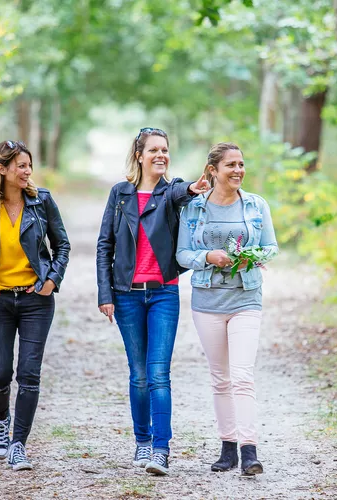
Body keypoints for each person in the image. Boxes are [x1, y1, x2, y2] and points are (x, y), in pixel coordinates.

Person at [96, 127, 209, 476]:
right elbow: (105, 246)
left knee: (159, 373)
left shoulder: (170, 192)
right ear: (140, 155)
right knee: (139, 374)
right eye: (154, 150)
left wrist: (192, 187)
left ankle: (161, 449)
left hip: (163, 293)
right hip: (126, 295)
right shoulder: (121, 193)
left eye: (165, 149)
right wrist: (105, 294)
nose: (161, 155)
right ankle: (142, 441)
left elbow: (182, 190)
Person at [176, 142, 278, 476]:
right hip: (207, 301)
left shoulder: (255, 204)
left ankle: (250, 451)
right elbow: (182, 254)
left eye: (241, 164)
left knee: (242, 376)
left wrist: (252, 256)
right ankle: (227, 448)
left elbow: (271, 247)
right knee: (221, 379)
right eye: (230, 165)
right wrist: (207, 257)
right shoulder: (193, 209)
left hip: (246, 298)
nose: (237, 170)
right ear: (213, 171)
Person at [0, 140, 70, 471]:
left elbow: (62, 244)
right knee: (0, 372)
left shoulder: (42, 202)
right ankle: (2, 423)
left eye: (29, 165)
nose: (27, 171)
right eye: (21, 166)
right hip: (0, 300)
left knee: (28, 374)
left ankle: (18, 445)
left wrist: (52, 280)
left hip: (35, 301)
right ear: (2, 169)